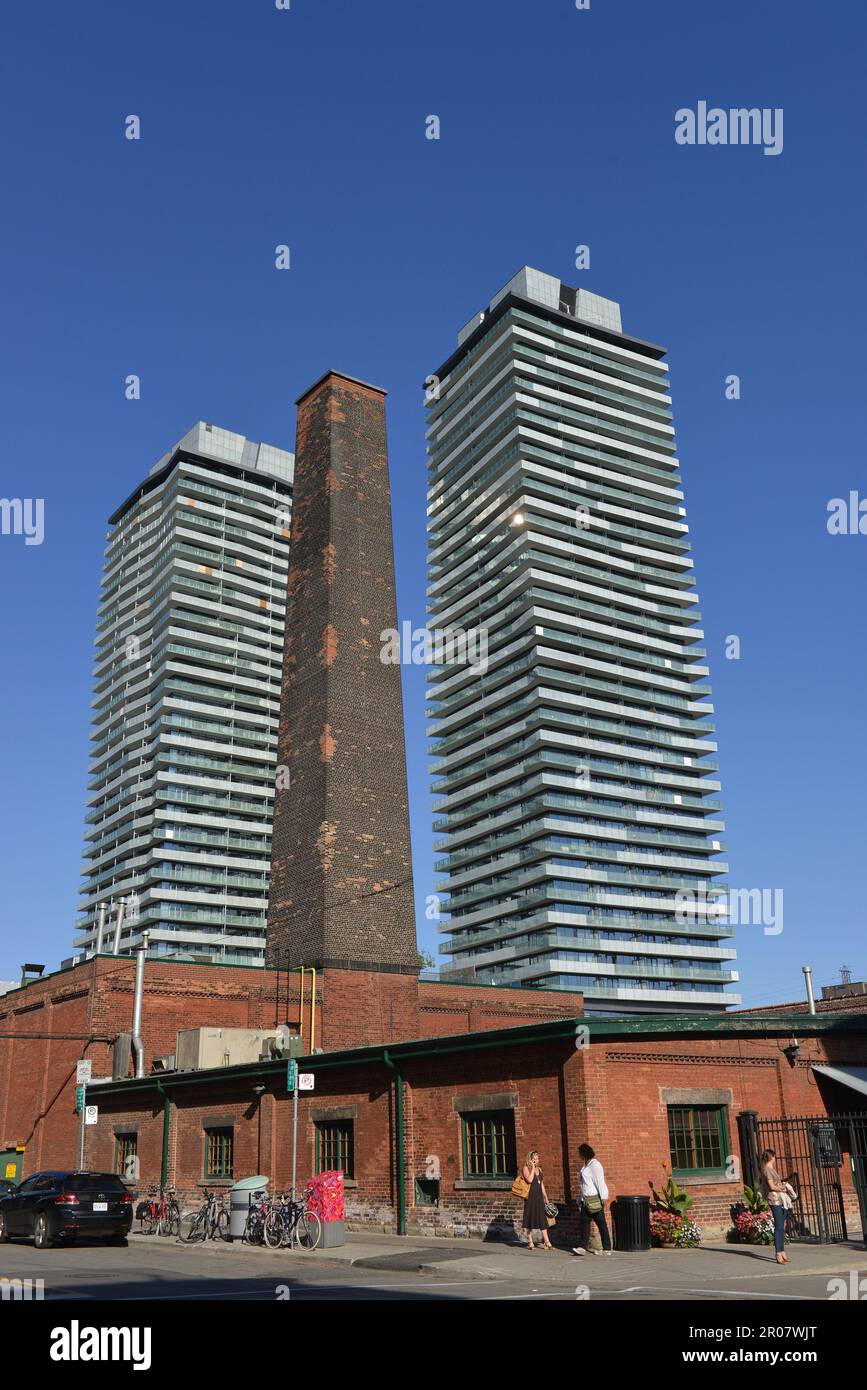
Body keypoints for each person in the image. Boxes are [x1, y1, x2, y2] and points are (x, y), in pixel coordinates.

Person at [572, 1143, 612, 1255]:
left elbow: (600, 1181)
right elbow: (583, 1184)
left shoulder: (595, 1165)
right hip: (585, 1200)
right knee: (584, 1225)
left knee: (601, 1224)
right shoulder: (586, 1165)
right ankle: (582, 1247)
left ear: (584, 1153)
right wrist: (579, 1198)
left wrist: (603, 1196)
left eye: (579, 1153)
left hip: (594, 1200)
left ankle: (607, 1248)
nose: (578, 1155)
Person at [760, 1148, 791, 1264]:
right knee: (778, 1227)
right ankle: (778, 1252)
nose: (775, 1158)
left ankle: (782, 1251)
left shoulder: (771, 1169)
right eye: (774, 1156)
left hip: (780, 1199)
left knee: (781, 1226)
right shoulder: (767, 1170)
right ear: (771, 1157)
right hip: (774, 1199)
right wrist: (782, 1188)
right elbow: (771, 1186)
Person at [521, 1150, 553, 1251]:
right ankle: (530, 1241)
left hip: (539, 1197)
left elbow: (541, 1184)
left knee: (542, 1218)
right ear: (530, 1160)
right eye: (534, 1159)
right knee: (530, 1218)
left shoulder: (540, 1169)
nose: (536, 1161)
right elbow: (530, 1180)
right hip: (530, 1197)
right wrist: (532, 1168)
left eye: (537, 1159)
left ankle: (547, 1241)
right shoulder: (526, 1168)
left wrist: (545, 1197)